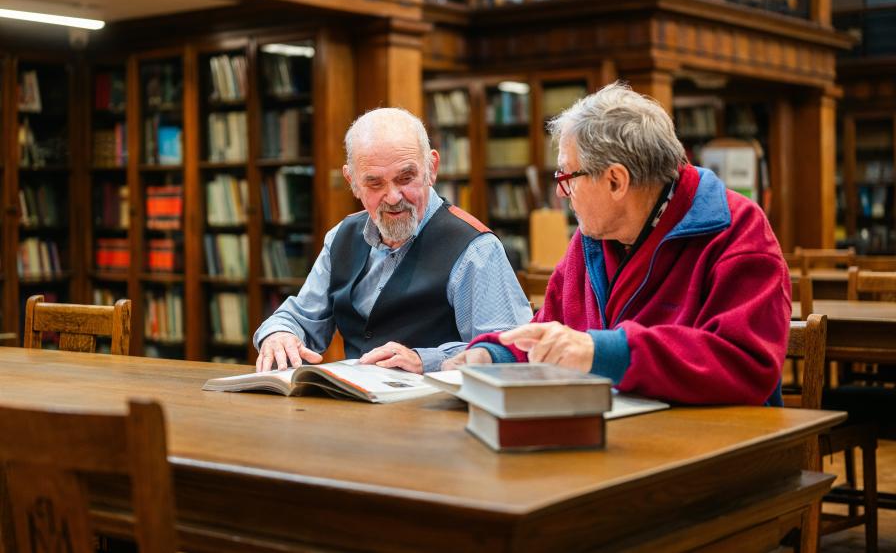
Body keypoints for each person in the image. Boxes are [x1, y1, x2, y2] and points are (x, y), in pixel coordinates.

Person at [445, 82, 789, 405]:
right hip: (615, 435)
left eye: (566, 177)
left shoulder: (736, 230)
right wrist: (493, 355)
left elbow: (746, 364)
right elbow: (551, 333)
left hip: (718, 447)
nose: (559, 192)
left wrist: (605, 353)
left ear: (615, 181)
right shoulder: (592, 237)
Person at [254, 107, 532, 374]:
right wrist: (280, 333)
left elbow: (510, 348)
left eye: (405, 177)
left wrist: (427, 360)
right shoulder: (341, 237)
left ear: (432, 168)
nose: (393, 197)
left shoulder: (475, 249)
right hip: (357, 410)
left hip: (436, 411)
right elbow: (301, 317)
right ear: (352, 182)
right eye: (375, 183)